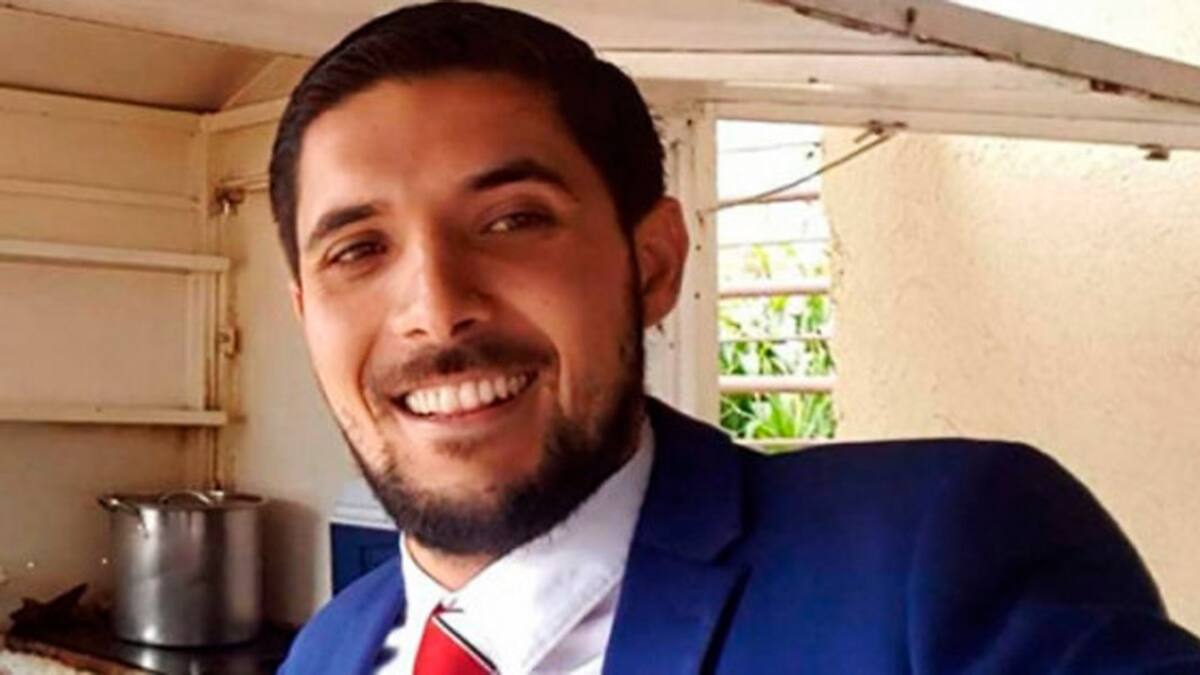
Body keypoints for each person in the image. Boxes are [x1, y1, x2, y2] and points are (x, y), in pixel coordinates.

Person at [270, 3, 1200, 673]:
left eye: (514, 220)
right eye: (358, 249)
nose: (435, 309)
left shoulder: (936, 565)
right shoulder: (328, 648)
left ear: (654, 263)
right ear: (306, 311)